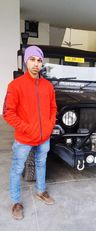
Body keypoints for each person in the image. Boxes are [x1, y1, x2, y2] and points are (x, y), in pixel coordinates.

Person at [3, 45, 57, 220]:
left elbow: (52, 108)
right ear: (26, 61)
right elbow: (8, 113)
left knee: (41, 165)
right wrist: (27, 128)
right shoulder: (15, 85)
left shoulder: (48, 86)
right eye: (32, 59)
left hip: (44, 137)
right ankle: (16, 202)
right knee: (17, 169)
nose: (36, 64)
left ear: (42, 64)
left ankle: (41, 191)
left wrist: (48, 127)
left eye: (39, 60)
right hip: (24, 138)